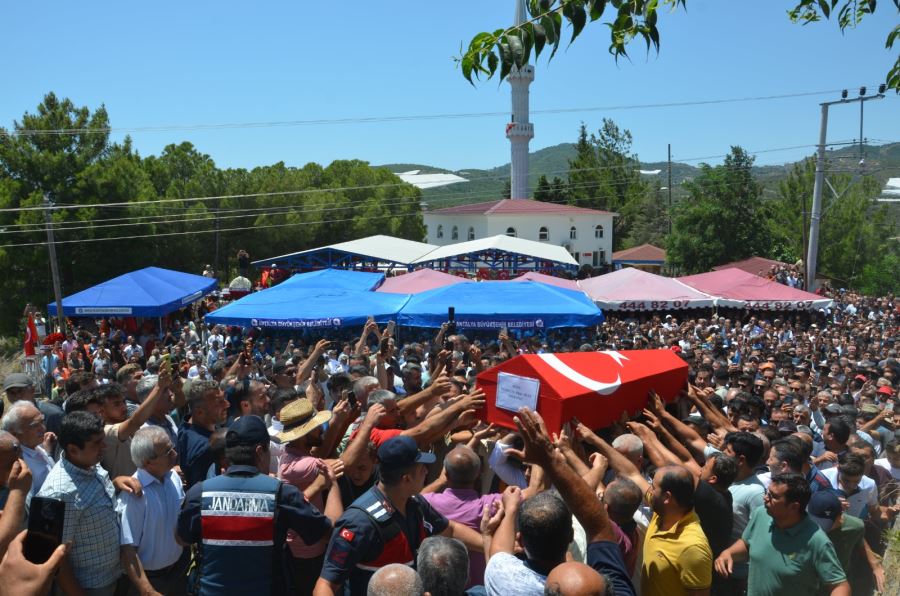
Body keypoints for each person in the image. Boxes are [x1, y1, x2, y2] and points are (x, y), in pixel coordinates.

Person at [177, 415, 333, 595]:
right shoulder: (282, 494)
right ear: (260, 451)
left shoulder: (200, 493)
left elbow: (181, 538)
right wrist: (332, 484)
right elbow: (326, 533)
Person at [315, 436, 483, 596]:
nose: (426, 471)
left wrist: (494, 549)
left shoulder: (415, 504)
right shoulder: (358, 523)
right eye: (421, 468)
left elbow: (450, 529)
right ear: (407, 479)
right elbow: (325, 585)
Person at [714, 472, 849, 596]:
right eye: (768, 492)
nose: (765, 498)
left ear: (794, 507)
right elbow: (748, 543)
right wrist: (729, 554)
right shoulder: (761, 514)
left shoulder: (817, 541)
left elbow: (840, 585)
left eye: (773, 496)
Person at [37, 411, 122, 595]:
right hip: (88, 588)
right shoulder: (58, 492)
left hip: (113, 575)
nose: (104, 446)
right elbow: (56, 556)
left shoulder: (91, 463)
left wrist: (117, 483)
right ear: (73, 449)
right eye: (97, 444)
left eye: (103, 440)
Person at [277, 398, 343, 596]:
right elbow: (341, 464)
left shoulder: (294, 456)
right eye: (316, 428)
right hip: (307, 552)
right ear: (304, 435)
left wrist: (340, 422)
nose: (320, 430)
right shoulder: (301, 465)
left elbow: (322, 449)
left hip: (307, 545)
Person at [119, 427, 188, 596]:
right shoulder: (134, 495)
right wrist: (147, 591)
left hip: (178, 572)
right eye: (167, 451)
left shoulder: (173, 479)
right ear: (148, 462)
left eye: (172, 446)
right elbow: (128, 551)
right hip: (150, 580)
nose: (174, 453)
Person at [640, 465, 712, 596]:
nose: (649, 491)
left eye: (654, 487)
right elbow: (632, 474)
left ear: (667, 497)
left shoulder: (692, 547)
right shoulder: (662, 512)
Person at [806, 490, 885, 594]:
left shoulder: (855, 527)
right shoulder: (800, 524)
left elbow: (860, 542)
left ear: (839, 517)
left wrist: (875, 565)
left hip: (836, 587)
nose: (818, 529)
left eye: (823, 524)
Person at [177, 379, 229, 489]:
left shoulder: (186, 425)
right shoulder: (205, 449)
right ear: (199, 412)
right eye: (219, 402)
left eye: (224, 398)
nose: (227, 404)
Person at [0, 401, 55, 496]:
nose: (42, 428)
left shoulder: (38, 446)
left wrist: (47, 453)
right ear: (14, 433)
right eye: (34, 425)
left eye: (42, 421)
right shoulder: (18, 464)